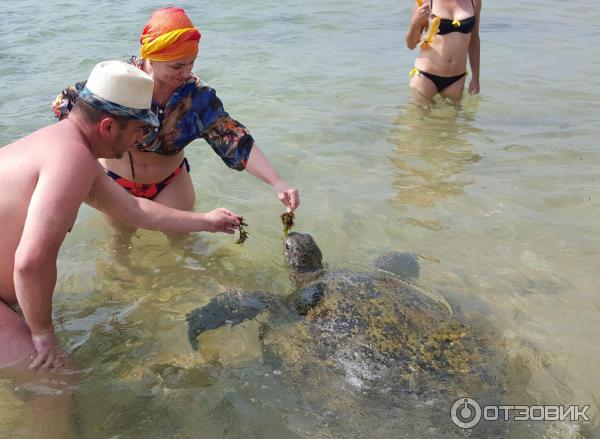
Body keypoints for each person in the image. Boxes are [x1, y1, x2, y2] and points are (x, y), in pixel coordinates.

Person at [0, 60, 241, 436]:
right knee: (53, 378)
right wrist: (43, 335)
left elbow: (133, 209)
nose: (141, 142)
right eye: (139, 130)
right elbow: (31, 261)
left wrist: (206, 221)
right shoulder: (72, 159)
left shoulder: (63, 145)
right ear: (108, 125)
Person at [52, 7, 300, 242]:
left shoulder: (198, 97)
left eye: (191, 63)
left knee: (182, 245)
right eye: (176, 66)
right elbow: (67, 109)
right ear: (151, 57)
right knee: (120, 244)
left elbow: (233, 139)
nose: (186, 73)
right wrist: (75, 182)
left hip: (170, 181)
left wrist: (277, 182)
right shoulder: (119, 82)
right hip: (116, 181)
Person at [406, 0, 481, 103]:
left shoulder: (474, 2)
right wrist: (415, 22)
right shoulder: (425, 1)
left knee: (448, 118)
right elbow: (411, 45)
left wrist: (475, 78)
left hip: (456, 80)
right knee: (417, 118)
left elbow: (474, 40)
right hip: (426, 76)